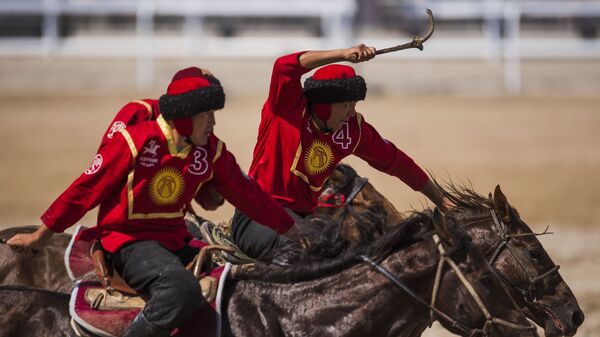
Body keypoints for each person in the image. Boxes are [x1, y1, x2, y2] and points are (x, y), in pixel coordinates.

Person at [7, 68, 295, 337]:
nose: (214, 122)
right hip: (128, 243)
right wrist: (41, 235)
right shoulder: (133, 141)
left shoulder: (210, 152)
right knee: (180, 289)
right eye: (207, 114)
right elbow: (85, 189)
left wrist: (292, 230)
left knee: (238, 276)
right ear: (184, 115)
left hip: (175, 238)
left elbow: (251, 196)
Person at [230, 44, 452, 260]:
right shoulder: (286, 107)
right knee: (307, 245)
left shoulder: (352, 131)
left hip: (304, 220)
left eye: (354, 104)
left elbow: (395, 161)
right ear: (324, 102)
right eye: (346, 104)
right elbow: (284, 66)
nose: (350, 112)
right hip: (258, 215)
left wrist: (441, 199)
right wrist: (343, 54)